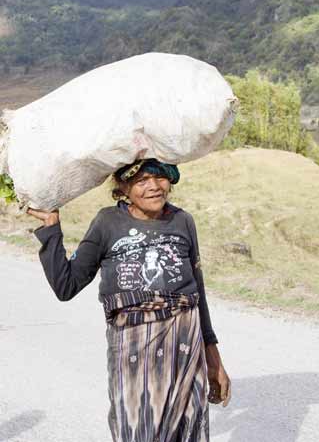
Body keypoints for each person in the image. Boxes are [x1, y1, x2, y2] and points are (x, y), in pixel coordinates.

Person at [27, 158, 231, 441]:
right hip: (132, 348)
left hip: (184, 345)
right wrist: (51, 229)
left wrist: (214, 359)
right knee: (136, 428)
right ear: (122, 188)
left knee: (187, 430)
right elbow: (66, 285)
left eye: (160, 178)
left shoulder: (183, 220)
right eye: (141, 180)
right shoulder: (107, 222)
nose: (154, 187)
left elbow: (198, 292)